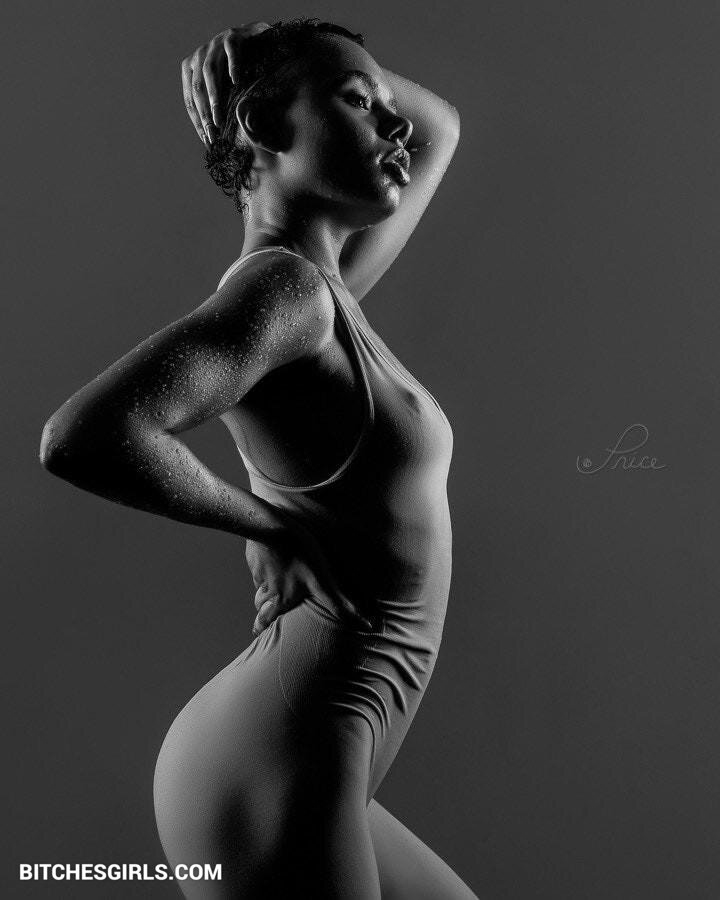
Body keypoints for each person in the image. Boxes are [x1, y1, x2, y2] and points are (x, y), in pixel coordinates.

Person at [39, 16, 473, 899]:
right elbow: (85, 435)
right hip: (281, 744)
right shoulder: (287, 292)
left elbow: (438, 126)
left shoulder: (329, 294)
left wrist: (280, 41)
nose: (395, 124)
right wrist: (268, 527)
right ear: (268, 124)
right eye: (358, 103)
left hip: (318, 745)